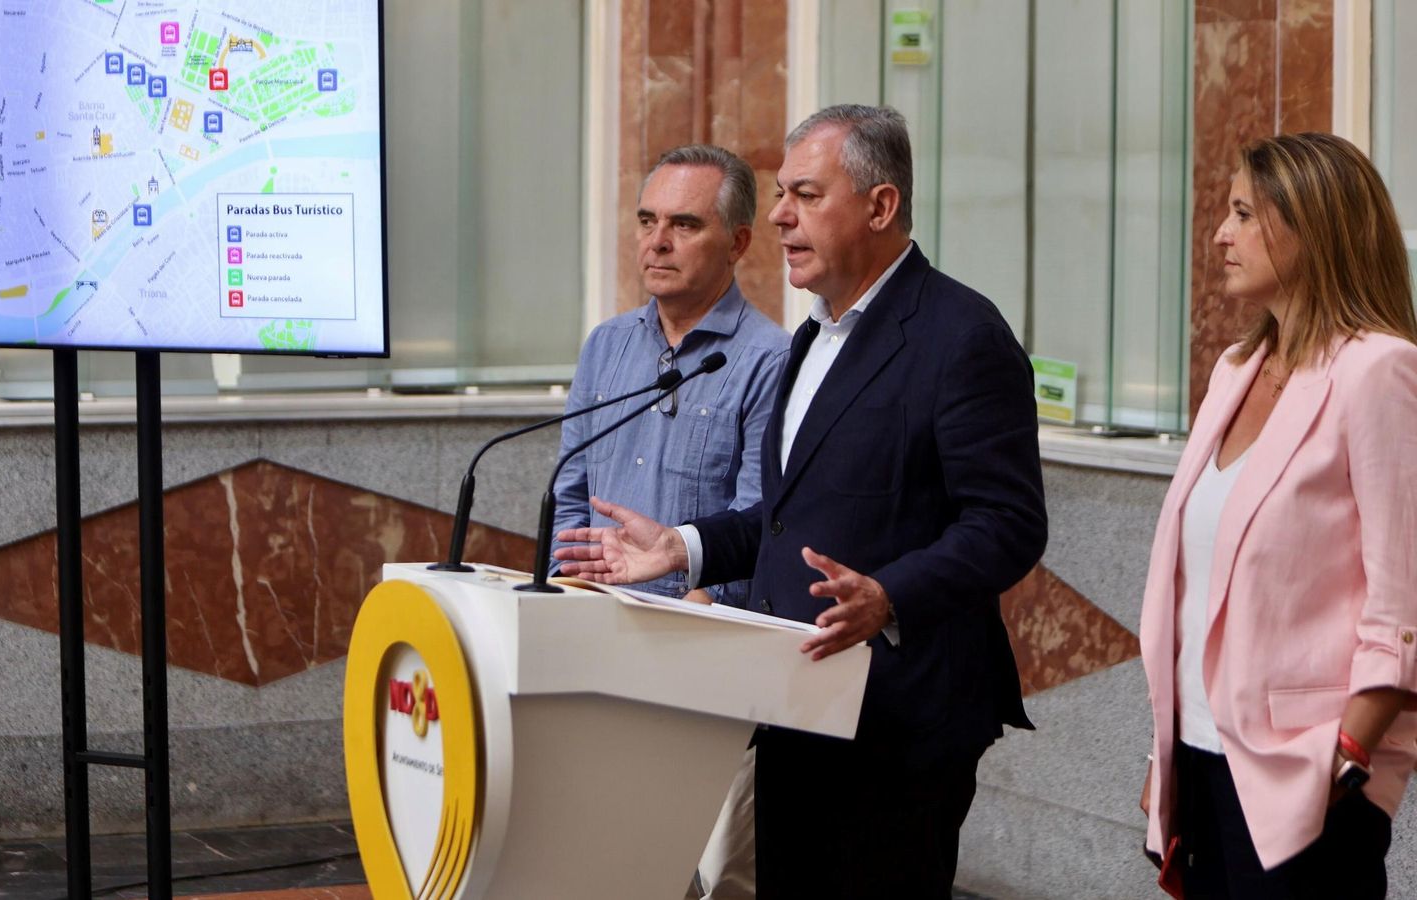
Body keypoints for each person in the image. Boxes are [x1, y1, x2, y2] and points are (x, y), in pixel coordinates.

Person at [555, 104, 1047, 898]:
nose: (781, 216)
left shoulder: (962, 336)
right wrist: (683, 547)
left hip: (899, 717)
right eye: (782, 194)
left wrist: (889, 595)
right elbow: (789, 519)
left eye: (806, 195)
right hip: (794, 703)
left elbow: (1009, 524)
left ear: (880, 206)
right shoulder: (814, 336)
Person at [1138, 132, 1417, 898]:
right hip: (1201, 763)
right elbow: (1198, 594)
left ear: (1313, 226)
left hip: (1306, 778)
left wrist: (1345, 756)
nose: (1219, 236)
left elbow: (1401, 603)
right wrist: (1164, 754)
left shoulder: (1379, 369)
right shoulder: (1236, 370)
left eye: (1243, 213)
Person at [551, 143, 788, 899]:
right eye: (647, 220)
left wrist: (700, 615)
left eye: (684, 225)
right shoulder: (607, 346)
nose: (657, 242)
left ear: (739, 242)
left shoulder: (770, 360)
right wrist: (566, 598)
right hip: (601, 648)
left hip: (707, 661)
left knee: (721, 880)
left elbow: (761, 518)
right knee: (615, 868)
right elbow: (571, 491)